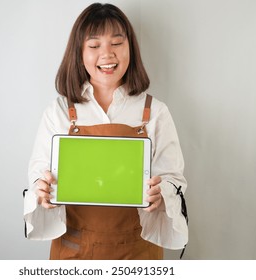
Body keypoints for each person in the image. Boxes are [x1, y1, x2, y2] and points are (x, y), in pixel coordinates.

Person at [23, 2, 188, 260]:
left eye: (117, 43)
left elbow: (174, 180)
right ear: (79, 53)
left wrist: (163, 193)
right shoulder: (58, 112)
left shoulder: (155, 112)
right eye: (94, 45)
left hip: (138, 252)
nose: (107, 54)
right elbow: (37, 177)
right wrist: (41, 191)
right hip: (75, 250)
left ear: (130, 48)